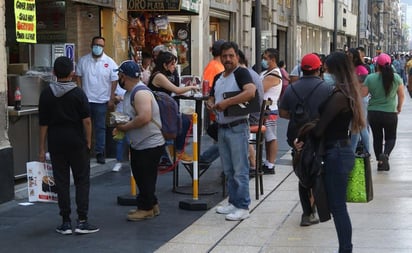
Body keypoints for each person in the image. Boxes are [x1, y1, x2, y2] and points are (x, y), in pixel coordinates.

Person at [299, 51, 366, 253]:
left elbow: (321, 129)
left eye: (326, 69)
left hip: (335, 152)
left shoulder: (339, 96)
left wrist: (305, 133)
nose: (324, 72)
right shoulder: (345, 92)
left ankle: (345, 249)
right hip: (339, 151)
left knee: (338, 207)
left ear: (335, 70)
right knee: (337, 207)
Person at [39, 56, 99, 235]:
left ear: (54, 73)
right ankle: (82, 220)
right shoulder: (79, 93)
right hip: (76, 141)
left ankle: (65, 222)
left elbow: (43, 124)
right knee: (82, 180)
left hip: (56, 142)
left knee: (61, 181)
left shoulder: (47, 93)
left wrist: (42, 148)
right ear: (72, 73)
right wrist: (88, 141)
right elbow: (87, 121)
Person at [279, 53, 332, 226]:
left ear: (301, 69)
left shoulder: (292, 88)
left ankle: (307, 212)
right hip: (319, 136)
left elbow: (283, 113)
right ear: (319, 69)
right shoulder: (326, 88)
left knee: (303, 171)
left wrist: (298, 119)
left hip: (297, 137)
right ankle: (311, 210)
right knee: (317, 171)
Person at [209, 41, 256, 221]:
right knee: (228, 169)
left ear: (237, 56)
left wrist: (227, 103)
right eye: (224, 56)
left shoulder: (242, 73)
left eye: (231, 55)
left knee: (240, 169)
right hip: (222, 127)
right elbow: (213, 95)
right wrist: (211, 102)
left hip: (237, 127)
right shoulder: (219, 77)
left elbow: (250, 92)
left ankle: (243, 206)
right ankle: (234, 201)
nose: (227, 59)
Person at [114, 60, 165, 221]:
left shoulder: (140, 93)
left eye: (119, 75)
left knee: (145, 176)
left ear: (124, 76)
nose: (118, 78)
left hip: (149, 143)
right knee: (142, 175)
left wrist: (125, 127)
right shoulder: (131, 92)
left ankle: (146, 208)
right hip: (140, 143)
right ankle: (152, 204)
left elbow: (144, 117)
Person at [148, 51, 198, 161]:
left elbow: (175, 87)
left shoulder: (167, 74)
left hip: (164, 108)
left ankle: (173, 149)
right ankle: (178, 150)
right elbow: (177, 90)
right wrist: (191, 87)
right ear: (164, 65)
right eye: (172, 64)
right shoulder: (159, 76)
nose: (174, 67)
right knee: (184, 120)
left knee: (184, 120)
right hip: (159, 109)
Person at [76, 36, 119, 164]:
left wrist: (111, 98)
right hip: (86, 100)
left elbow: (114, 80)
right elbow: (78, 76)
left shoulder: (110, 62)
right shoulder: (83, 61)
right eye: (96, 44)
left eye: (100, 45)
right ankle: (84, 151)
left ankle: (100, 152)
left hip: (102, 101)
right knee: (84, 127)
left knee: (100, 128)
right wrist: (80, 93)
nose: (98, 47)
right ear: (91, 45)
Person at [363, 53, 404, 171]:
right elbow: (401, 95)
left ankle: (380, 162)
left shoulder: (370, 78)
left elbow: (364, 94)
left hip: (374, 113)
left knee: (377, 138)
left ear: (377, 65)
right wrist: (399, 107)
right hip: (390, 113)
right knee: (391, 137)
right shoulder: (396, 78)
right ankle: (385, 155)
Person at [260, 48, 282, 174]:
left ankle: (270, 164)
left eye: (265, 58)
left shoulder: (273, 75)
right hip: (265, 109)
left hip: (269, 110)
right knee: (267, 137)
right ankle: (267, 162)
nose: (263, 60)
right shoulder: (266, 73)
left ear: (272, 60)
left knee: (270, 137)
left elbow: (260, 88)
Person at [346, 48, 370, 154]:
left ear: (355, 57)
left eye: (350, 55)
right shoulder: (351, 68)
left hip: (359, 100)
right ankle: (356, 151)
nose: (347, 57)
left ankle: (362, 152)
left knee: (360, 126)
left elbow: (363, 87)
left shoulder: (361, 69)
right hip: (354, 99)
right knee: (357, 127)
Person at [112, 84, 127, 172]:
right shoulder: (117, 86)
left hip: (131, 113)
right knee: (120, 140)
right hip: (120, 114)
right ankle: (118, 161)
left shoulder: (135, 85)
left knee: (131, 139)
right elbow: (113, 100)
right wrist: (116, 99)